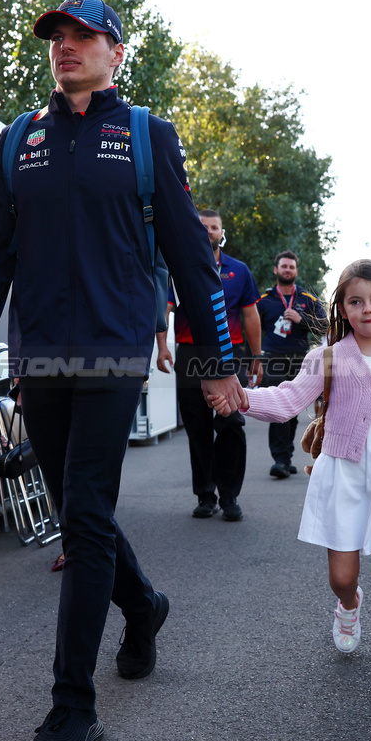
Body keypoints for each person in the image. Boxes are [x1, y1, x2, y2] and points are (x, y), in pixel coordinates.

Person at [0, 0, 244, 741]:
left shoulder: (148, 137)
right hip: (39, 357)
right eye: (57, 36)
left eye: (84, 35)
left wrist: (215, 368)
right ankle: (144, 604)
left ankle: (71, 709)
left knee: (83, 515)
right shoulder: (19, 142)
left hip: (114, 355)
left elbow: (192, 261)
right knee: (79, 509)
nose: (67, 47)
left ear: (117, 50)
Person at [209, 259, 371, 705]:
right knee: (342, 575)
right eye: (356, 301)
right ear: (342, 309)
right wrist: (240, 398)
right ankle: (348, 605)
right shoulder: (326, 358)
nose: (367, 309)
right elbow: (287, 399)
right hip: (342, 474)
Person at [157, 210, 262, 521]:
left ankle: (229, 496)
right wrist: (162, 345)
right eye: (202, 227)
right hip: (189, 354)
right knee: (197, 427)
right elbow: (164, 309)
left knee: (231, 423)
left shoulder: (239, 271)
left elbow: (251, 315)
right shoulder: (178, 270)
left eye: (213, 227)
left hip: (231, 353)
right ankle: (206, 495)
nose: (208, 232)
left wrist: (256, 357)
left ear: (222, 233)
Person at [255, 250, 326, 478]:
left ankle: (286, 455)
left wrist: (301, 319)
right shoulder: (263, 301)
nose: (287, 270)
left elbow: (325, 326)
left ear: (296, 271)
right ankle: (280, 459)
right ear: (276, 270)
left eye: (291, 267)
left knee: (293, 410)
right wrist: (253, 361)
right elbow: (252, 330)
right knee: (278, 408)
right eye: (284, 266)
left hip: (301, 360)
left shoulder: (308, 300)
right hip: (273, 359)